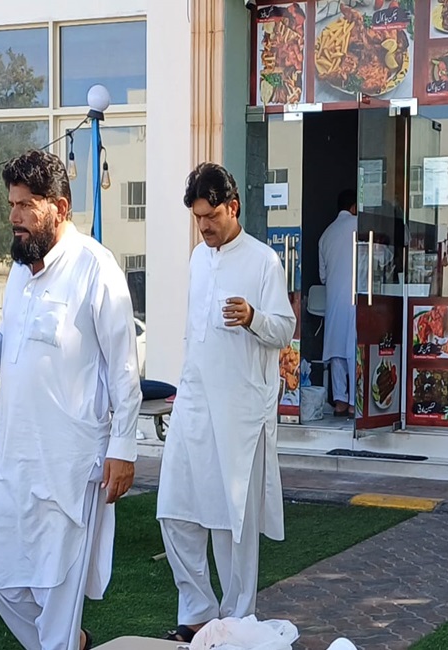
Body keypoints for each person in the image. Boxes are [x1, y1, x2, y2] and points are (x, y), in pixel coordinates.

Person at [0, 149, 141, 650]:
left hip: (71, 464)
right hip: (16, 457)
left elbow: (125, 369)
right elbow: (13, 343)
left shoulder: (95, 268)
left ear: (59, 208)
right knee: (2, 578)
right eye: (12, 205)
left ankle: (65, 641)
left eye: (26, 205)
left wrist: (124, 448)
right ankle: (71, 643)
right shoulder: (21, 271)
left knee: (57, 590)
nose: (15, 216)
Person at [157, 163, 296, 643]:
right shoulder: (198, 258)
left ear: (232, 207)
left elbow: (285, 329)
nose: (204, 226)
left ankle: (237, 623)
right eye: (198, 217)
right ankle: (197, 611)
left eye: (211, 216)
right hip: (193, 402)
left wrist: (254, 316)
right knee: (175, 510)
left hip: (240, 413)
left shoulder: (263, 261)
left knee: (232, 524)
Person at [317, 189, 357, 417]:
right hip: (356, 296)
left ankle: (340, 401)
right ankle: (354, 403)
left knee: (336, 349)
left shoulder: (325, 235)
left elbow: (322, 276)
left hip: (333, 298)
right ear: (354, 208)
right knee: (352, 347)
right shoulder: (359, 226)